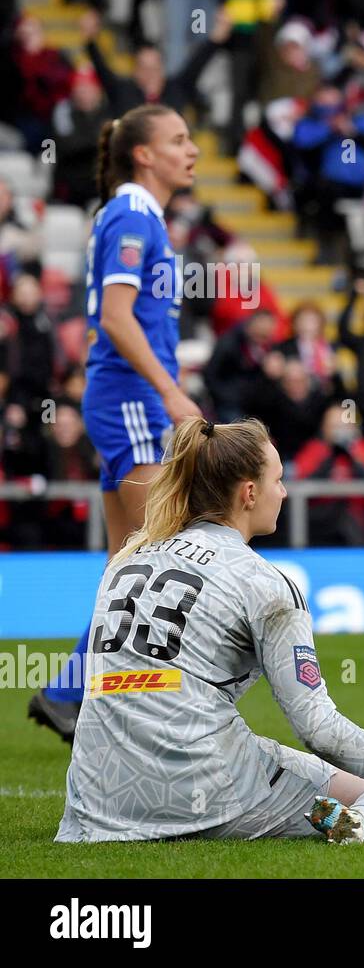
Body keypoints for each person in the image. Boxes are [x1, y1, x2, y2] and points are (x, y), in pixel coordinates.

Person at [55, 416, 364, 842]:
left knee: (284, 759)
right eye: (279, 480)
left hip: (96, 802)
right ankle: (358, 825)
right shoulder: (264, 582)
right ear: (249, 493)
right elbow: (317, 727)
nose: (284, 492)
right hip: (205, 790)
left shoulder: (125, 561)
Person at [28, 104, 204, 744]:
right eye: (178, 140)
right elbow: (120, 320)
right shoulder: (132, 215)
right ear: (143, 155)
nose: (192, 151)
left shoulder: (140, 216)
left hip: (125, 396)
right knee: (164, 547)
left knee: (127, 560)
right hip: (131, 397)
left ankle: (78, 693)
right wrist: (172, 393)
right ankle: (91, 692)